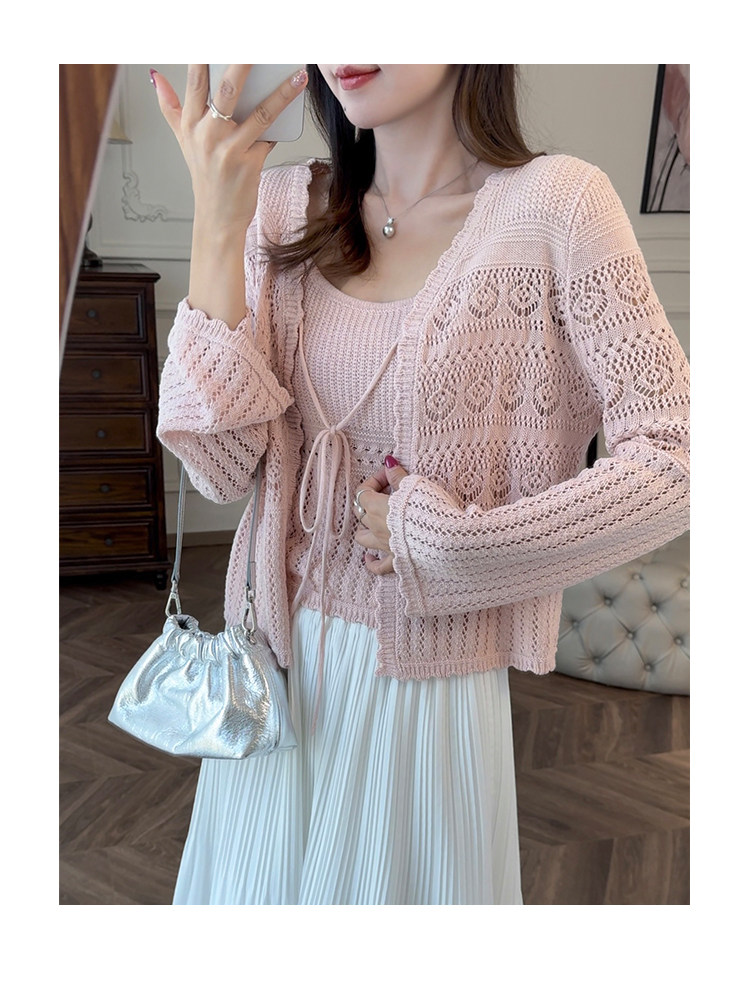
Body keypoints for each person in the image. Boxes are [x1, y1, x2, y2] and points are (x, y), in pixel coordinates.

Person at [152, 64, 690, 905]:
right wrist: (217, 223)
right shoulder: (282, 206)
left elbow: (677, 459)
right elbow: (220, 472)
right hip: (270, 680)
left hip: (425, 694)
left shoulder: (559, 208)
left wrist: (453, 545)